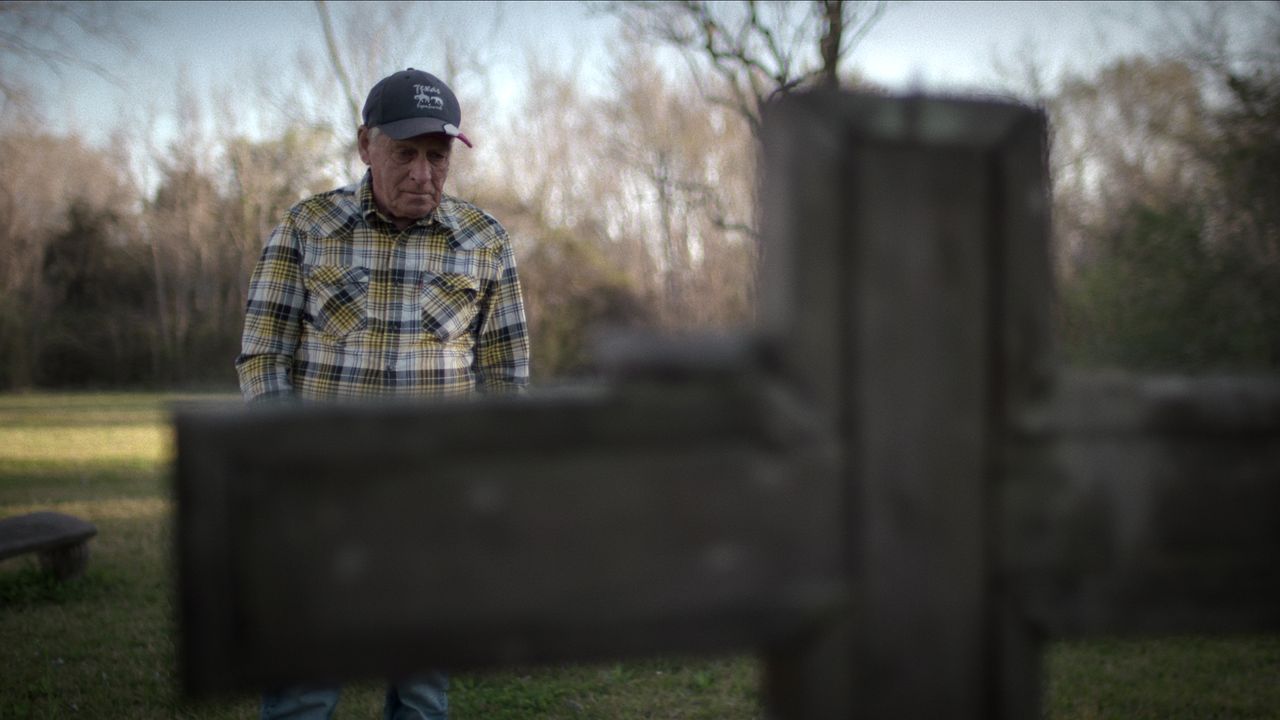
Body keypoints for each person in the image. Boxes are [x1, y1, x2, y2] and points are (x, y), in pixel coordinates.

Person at [235, 68, 530, 719]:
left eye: (437, 157)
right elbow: (262, 354)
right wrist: (292, 454)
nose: (424, 175)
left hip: (433, 500)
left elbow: (505, 381)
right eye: (407, 154)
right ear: (366, 144)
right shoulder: (306, 228)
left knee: (422, 688)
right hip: (320, 492)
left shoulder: (485, 241)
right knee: (303, 686)